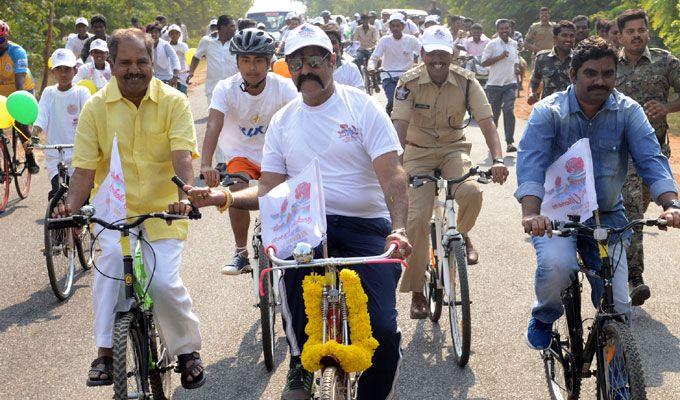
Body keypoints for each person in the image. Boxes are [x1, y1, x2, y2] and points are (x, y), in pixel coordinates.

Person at [181, 23, 411, 400]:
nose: (305, 69)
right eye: (296, 62)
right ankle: (299, 362)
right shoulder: (284, 121)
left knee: (382, 331)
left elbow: (393, 175)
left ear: (331, 61)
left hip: (365, 225)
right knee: (285, 273)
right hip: (305, 227)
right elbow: (270, 189)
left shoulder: (363, 106)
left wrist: (398, 228)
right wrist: (224, 198)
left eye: (313, 60)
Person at [54, 27, 206, 390]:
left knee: (163, 281)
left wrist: (185, 197)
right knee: (108, 273)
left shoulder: (174, 101)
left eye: (141, 61)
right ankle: (105, 352)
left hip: (164, 211)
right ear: (112, 64)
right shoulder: (95, 108)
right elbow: (85, 169)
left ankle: (186, 352)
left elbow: (182, 156)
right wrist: (70, 210)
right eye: (125, 62)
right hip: (114, 212)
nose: (133, 69)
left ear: (152, 63)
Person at [516, 37, 680, 351]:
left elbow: (651, 158)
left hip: (607, 217)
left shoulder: (628, 111)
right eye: (591, 73)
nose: (600, 81)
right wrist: (531, 213)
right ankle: (545, 316)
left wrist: (670, 202)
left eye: (608, 73)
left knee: (619, 308)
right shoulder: (548, 112)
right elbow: (531, 163)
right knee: (558, 267)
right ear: (572, 75)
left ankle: (618, 378)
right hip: (554, 217)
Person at [391, 25, 509, 318]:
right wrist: (396, 167)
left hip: (453, 150)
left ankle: (462, 233)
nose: (438, 61)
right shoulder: (408, 83)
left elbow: (487, 122)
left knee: (471, 192)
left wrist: (498, 159)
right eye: (432, 54)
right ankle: (417, 292)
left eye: (444, 54)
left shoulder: (467, 82)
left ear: (453, 54)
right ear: (423, 54)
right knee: (416, 219)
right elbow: (399, 127)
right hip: (417, 152)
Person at [200, 28, 297, 275]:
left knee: (290, 195)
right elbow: (213, 124)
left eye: (258, 61)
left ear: (269, 63)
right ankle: (240, 253)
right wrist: (205, 164)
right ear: (237, 62)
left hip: (276, 154)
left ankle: (290, 245)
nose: (251, 67)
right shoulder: (225, 88)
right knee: (236, 191)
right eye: (245, 60)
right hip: (240, 154)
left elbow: (302, 119)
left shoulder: (284, 87)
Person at [614, 9, 680, 306]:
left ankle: (619, 261)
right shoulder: (608, 65)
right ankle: (634, 277)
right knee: (632, 210)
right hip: (620, 153)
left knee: (648, 206)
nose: (637, 35)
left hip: (655, 152)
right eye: (631, 31)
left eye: (642, 30)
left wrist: (667, 107)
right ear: (621, 35)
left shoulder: (665, 61)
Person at [34, 48, 91, 199]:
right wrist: (33, 135)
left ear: (75, 70)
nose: (63, 74)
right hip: (55, 155)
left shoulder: (82, 92)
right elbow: (42, 117)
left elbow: (88, 120)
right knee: (57, 193)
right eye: (59, 69)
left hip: (78, 154)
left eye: (67, 69)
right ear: (53, 72)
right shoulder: (48, 92)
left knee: (80, 197)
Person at [0, 20, 39, 174]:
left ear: (7, 37)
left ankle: (30, 157)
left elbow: (19, 84)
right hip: (2, 92)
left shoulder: (17, 52)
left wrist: (17, 109)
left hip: (22, 89)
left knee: (21, 124)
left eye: (1, 40)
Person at [368, 13, 421, 116]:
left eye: (398, 25)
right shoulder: (384, 41)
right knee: (393, 101)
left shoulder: (411, 40)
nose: (395, 28)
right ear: (390, 27)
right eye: (393, 26)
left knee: (414, 103)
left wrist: (421, 65)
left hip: (408, 77)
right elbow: (374, 58)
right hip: (389, 76)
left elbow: (423, 52)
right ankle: (389, 121)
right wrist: (371, 67)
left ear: (403, 26)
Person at [481, 19, 520, 152]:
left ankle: (510, 143)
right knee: (494, 115)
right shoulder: (492, 44)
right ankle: (492, 142)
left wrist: (517, 68)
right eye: (502, 29)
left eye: (507, 28)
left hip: (510, 83)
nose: (504, 31)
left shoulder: (514, 44)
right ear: (497, 31)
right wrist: (500, 57)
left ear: (510, 29)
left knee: (508, 110)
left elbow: (515, 60)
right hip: (494, 85)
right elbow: (484, 62)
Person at [188, 15, 237, 102]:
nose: (235, 29)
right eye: (232, 26)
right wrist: (191, 72)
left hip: (233, 90)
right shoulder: (207, 41)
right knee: (215, 115)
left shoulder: (237, 41)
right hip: (213, 90)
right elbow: (196, 57)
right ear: (223, 28)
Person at [528, 20, 575, 104]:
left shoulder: (579, 59)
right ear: (555, 38)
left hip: (572, 109)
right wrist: (532, 94)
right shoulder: (542, 58)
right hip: (548, 109)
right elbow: (534, 81)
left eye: (571, 36)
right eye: (564, 35)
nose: (568, 39)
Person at [323, 24, 364, 89]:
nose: (331, 47)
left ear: (340, 46)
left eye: (333, 42)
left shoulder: (351, 68)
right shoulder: (314, 71)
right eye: (327, 43)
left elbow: (359, 94)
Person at [147, 23, 181, 88]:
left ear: (159, 34)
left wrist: (175, 76)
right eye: (151, 33)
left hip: (167, 78)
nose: (153, 35)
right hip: (154, 79)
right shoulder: (147, 46)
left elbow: (174, 59)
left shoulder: (165, 45)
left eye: (155, 32)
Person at [351, 14, 380, 90]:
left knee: (372, 64)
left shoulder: (373, 29)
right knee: (357, 60)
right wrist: (355, 47)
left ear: (368, 20)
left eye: (366, 20)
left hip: (371, 49)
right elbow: (355, 40)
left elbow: (376, 39)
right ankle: (359, 78)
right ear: (361, 21)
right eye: (363, 20)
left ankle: (375, 82)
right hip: (361, 49)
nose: (365, 22)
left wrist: (374, 46)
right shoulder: (358, 29)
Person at [168, 25, 190, 94]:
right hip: (171, 74)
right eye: (172, 33)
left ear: (179, 34)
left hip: (182, 74)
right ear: (169, 35)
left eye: (176, 33)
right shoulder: (167, 46)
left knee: (183, 94)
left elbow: (188, 58)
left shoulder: (183, 46)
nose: (174, 35)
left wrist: (189, 72)